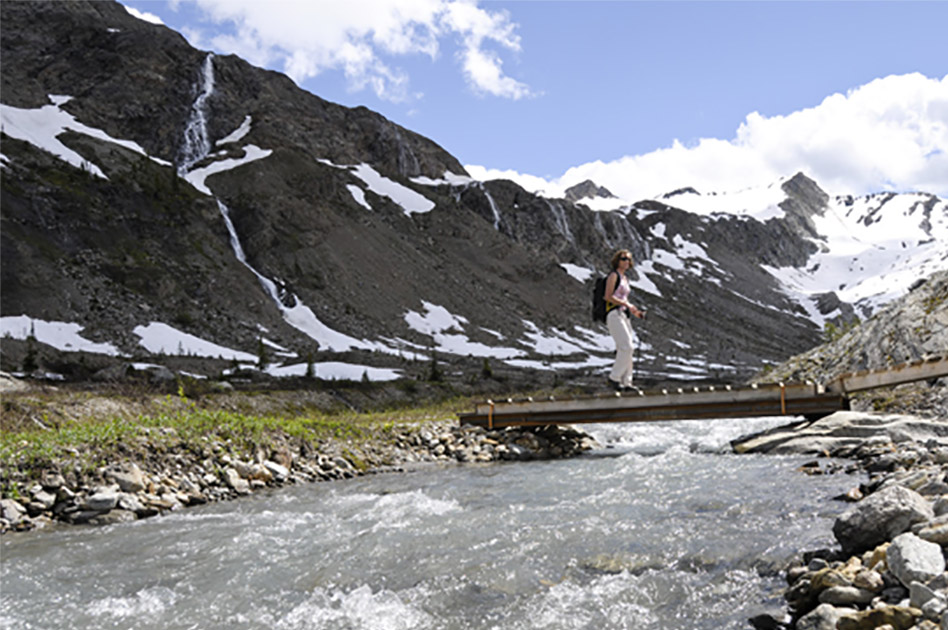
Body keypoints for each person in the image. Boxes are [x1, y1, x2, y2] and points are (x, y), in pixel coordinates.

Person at [604, 249, 644, 391]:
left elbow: (624, 299)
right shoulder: (613, 276)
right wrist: (626, 304)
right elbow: (608, 296)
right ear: (617, 261)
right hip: (614, 314)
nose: (626, 261)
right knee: (626, 347)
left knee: (629, 349)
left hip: (624, 315)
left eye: (628, 259)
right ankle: (614, 378)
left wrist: (635, 311)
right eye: (623, 258)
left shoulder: (625, 279)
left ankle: (626, 382)